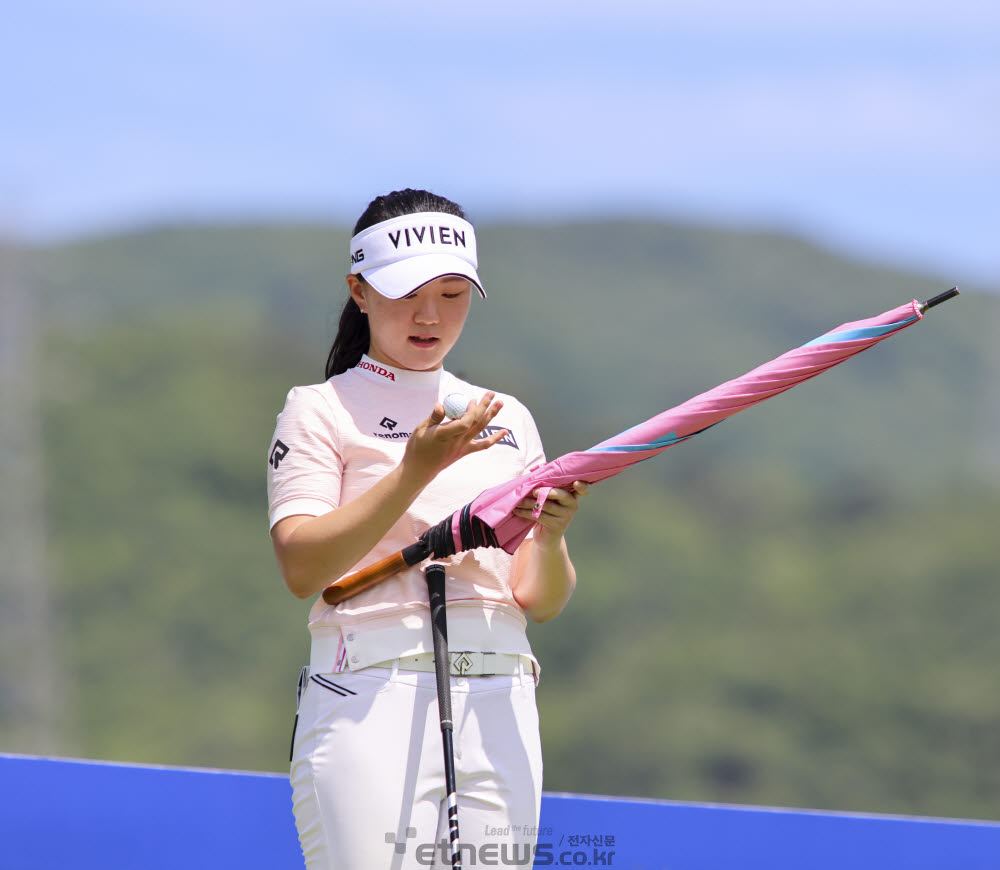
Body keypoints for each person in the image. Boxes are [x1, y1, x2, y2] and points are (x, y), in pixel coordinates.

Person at [267, 188, 588, 868]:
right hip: (370, 692)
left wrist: (553, 537)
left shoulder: (505, 417)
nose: (429, 314)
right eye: (407, 291)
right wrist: (414, 471)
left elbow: (539, 598)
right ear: (359, 289)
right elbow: (301, 566)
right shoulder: (319, 410)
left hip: (501, 693)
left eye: (452, 293)